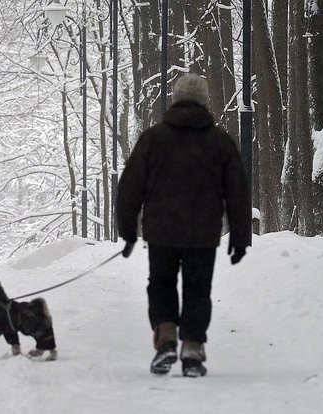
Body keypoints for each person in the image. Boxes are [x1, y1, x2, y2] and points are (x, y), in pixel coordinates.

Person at [117, 74, 251, 377]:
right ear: (205, 102)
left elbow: (130, 187)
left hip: (162, 231)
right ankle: (191, 347)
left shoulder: (154, 139)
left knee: (161, 284)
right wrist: (240, 237)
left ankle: (165, 337)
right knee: (197, 289)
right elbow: (237, 192)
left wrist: (128, 231)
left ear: (175, 100)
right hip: (202, 233)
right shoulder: (220, 142)